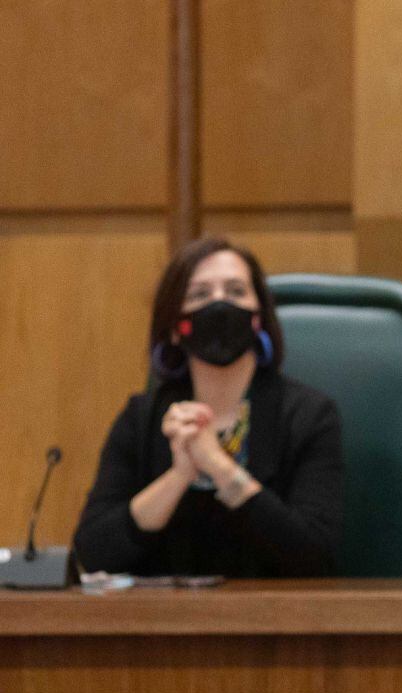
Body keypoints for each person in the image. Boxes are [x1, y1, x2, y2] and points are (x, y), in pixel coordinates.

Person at [74, 236, 344, 578]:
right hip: (161, 624)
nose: (219, 305)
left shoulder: (307, 416)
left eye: (235, 292)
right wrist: (180, 476)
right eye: (200, 295)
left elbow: (316, 556)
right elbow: (93, 552)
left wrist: (219, 467)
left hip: (277, 622)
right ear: (175, 327)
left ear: (257, 318)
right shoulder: (143, 419)